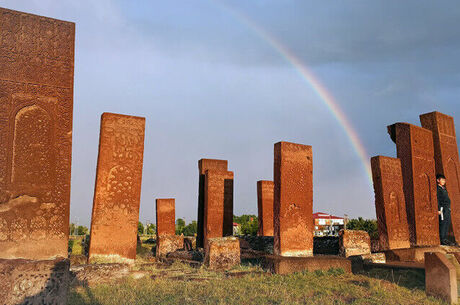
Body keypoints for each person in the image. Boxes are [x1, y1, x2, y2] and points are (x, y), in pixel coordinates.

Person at [437, 174, 453, 245]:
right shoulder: (438, 189)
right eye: (442, 180)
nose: (443, 181)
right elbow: (438, 200)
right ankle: (442, 239)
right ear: (438, 180)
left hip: (447, 208)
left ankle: (445, 238)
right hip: (442, 208)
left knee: (447, 222)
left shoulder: (443, 189)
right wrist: (439, 209)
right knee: (443, 223)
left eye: (444, 180)